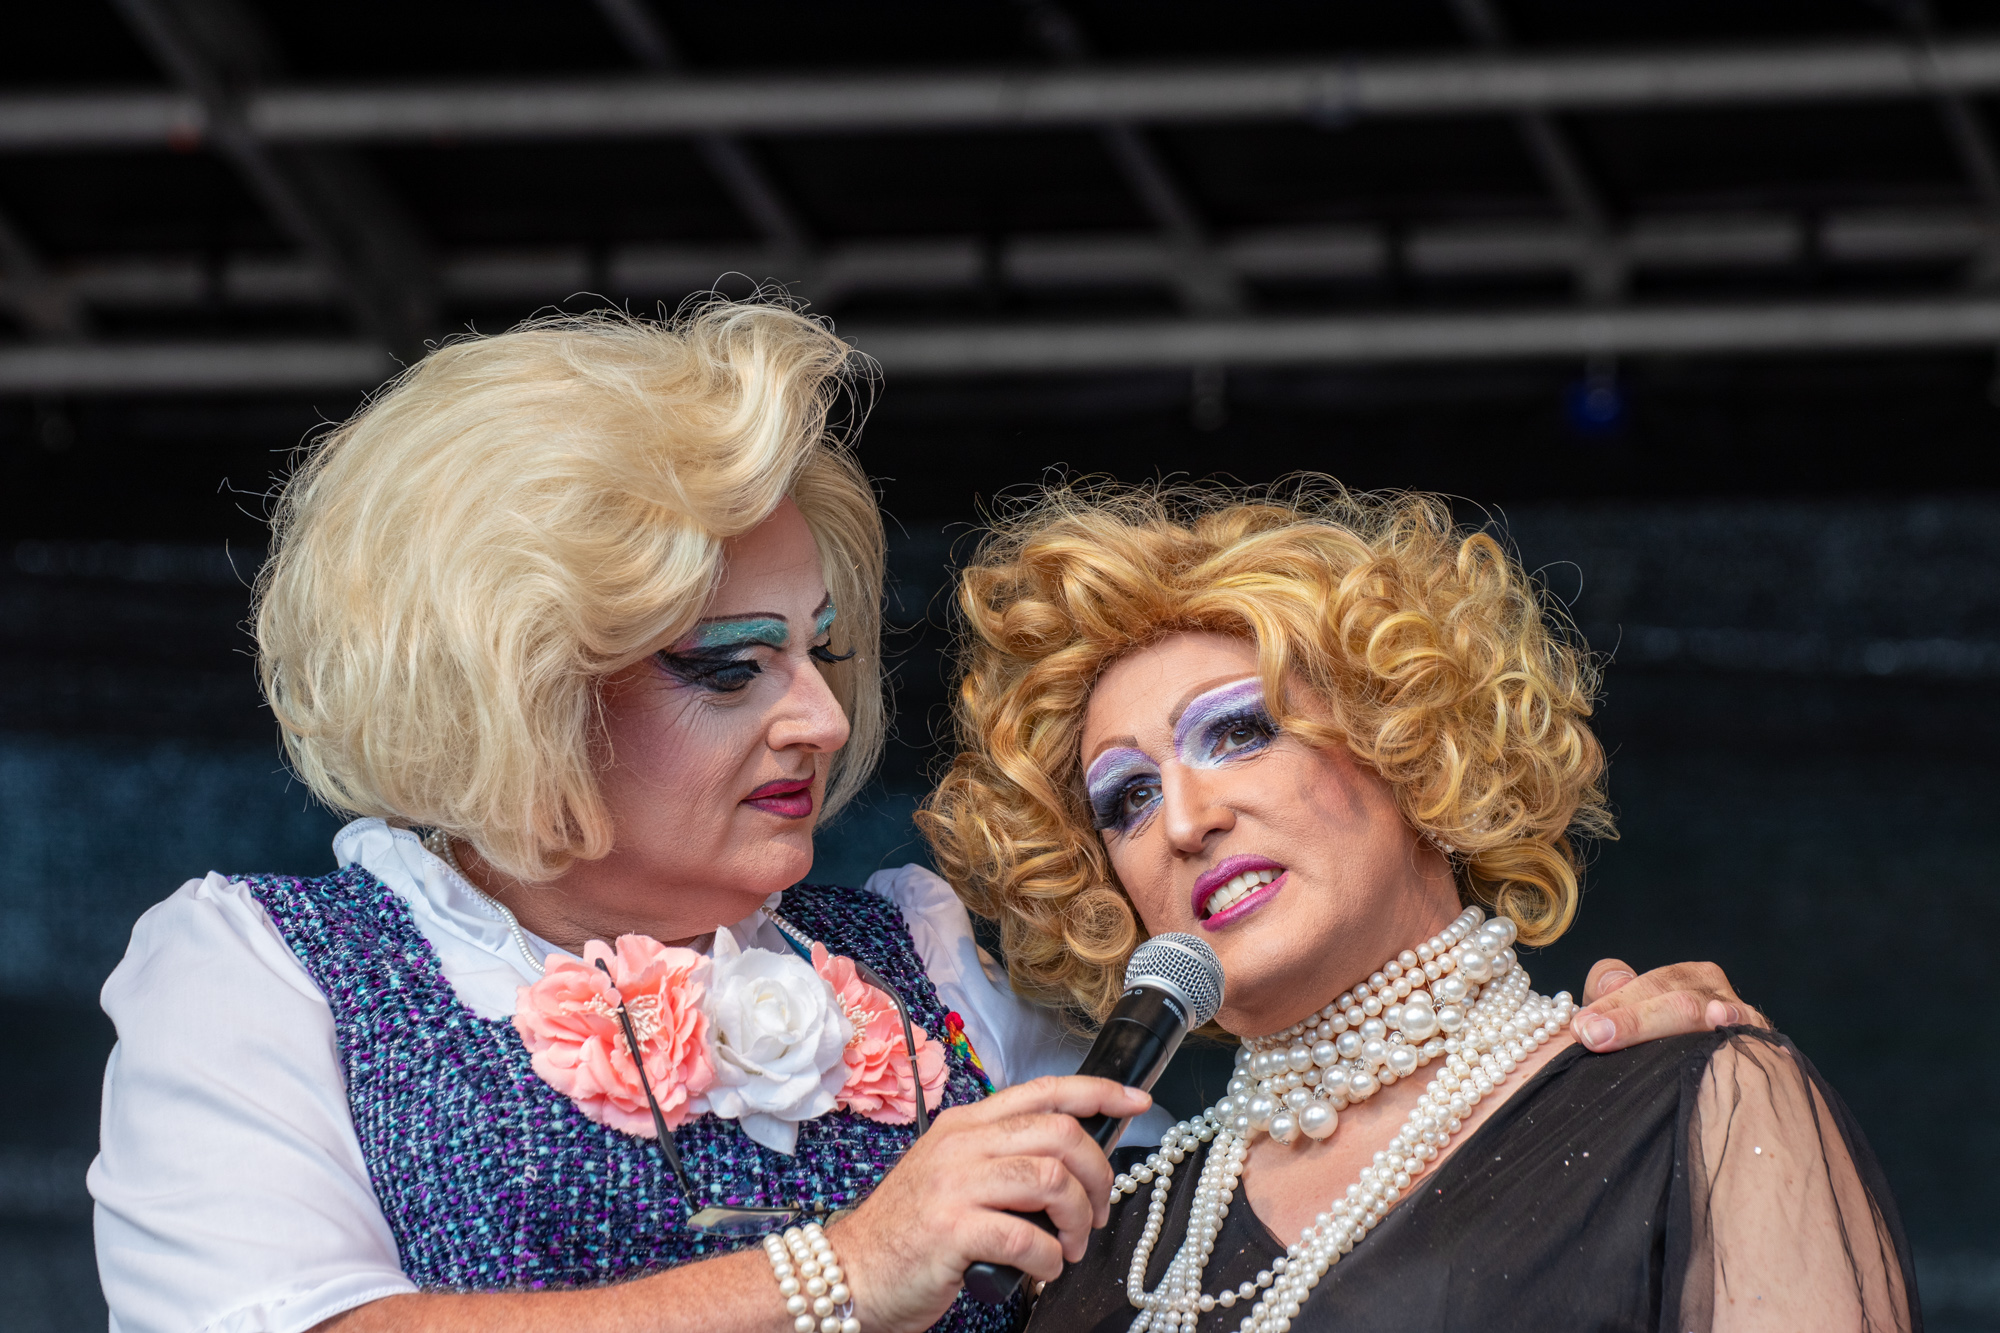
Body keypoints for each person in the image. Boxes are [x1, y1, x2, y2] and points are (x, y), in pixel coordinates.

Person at [90, 303, 1767, 1333]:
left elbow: (1301, 1145)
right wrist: (838, 1269)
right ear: (509, 689)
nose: (822, 718)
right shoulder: (261, 974)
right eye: (730, 666)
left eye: (818, 651)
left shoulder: (941, 960)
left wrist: (1585, 1076)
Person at [919, 482, 1915, 1333]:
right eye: (1128, 798)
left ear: (1406, 740)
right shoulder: (1101, 1247)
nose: (1183, 819)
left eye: (1240, 732)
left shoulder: (1688, 1102)